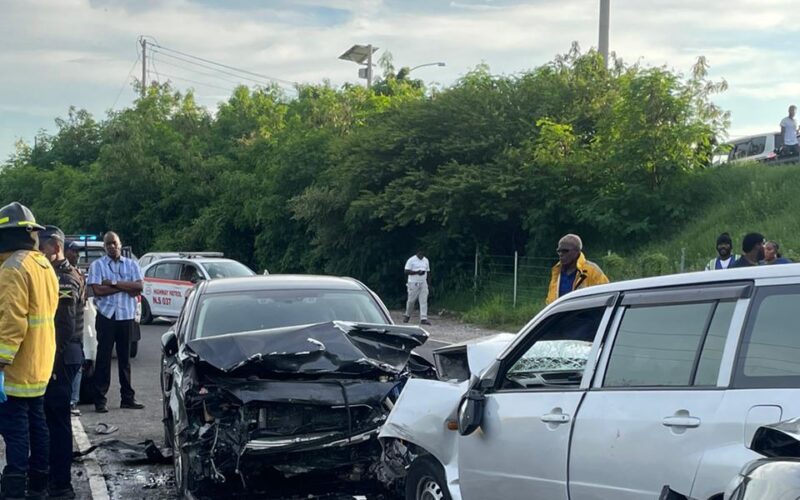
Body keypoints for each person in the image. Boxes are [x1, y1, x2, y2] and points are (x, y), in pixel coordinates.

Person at [0, 202, 59, 500]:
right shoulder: (43, 264)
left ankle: (13, 490)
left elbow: (11, 322)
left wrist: (0, 362)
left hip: (16, 369)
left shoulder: (12, 269)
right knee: (39, 427)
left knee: (16, 432)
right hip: (41, 365)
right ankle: (38, 487)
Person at [39, 227, 83, 499]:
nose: (37, 251)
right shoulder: (53, 273)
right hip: (60, 356)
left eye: (41, 246)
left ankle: (61, 483)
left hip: (61, 359)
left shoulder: (65, 278)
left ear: (55, 247)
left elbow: (63, 328)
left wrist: (50, 365)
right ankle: (52, 477)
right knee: (49, 420)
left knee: (57, 421)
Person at [87, 231, 144, 413]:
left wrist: (112, 282)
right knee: (103, 359)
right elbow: (97, 290)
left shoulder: (132, 265)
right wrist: (124, 287)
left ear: (120, 244)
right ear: (104, 247)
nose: (111, 246)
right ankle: (100, 400)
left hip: (126, 316)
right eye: (108, 244)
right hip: (106, 316)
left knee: (124, 359)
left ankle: (127, 398)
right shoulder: (97, 265)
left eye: (114, 243)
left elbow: (139, 287)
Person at [64, 240, 93, 416]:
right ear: (65, 251)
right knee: (70, 367)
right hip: (67, 332)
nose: (77, 254)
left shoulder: (78, 274)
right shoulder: (65, 275)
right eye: (73, 251)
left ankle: (73, 401)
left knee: (78, 366)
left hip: (79, 331)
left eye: (78, 252)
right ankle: (68, 401)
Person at [546, 234, 609, 304]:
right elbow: (550, 300)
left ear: (577, 251)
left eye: (565, 251)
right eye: (559, 251)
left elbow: (606, 295)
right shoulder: (557, 272)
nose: (561, 254)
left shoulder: (592, 270)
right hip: (561, 314)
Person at [403, 249, 431, 326]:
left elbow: (428, 272)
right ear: (417, 253)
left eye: (423, 254)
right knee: (411, 300)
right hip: (413, 282)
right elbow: (406, 271)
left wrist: (428, 283)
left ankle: (423, 318)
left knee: (423, 300)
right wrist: (417, 272)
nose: (422, 256)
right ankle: (407, 315)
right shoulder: (411, 260)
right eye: (420, 254)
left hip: (423, 282)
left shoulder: (426, 260)